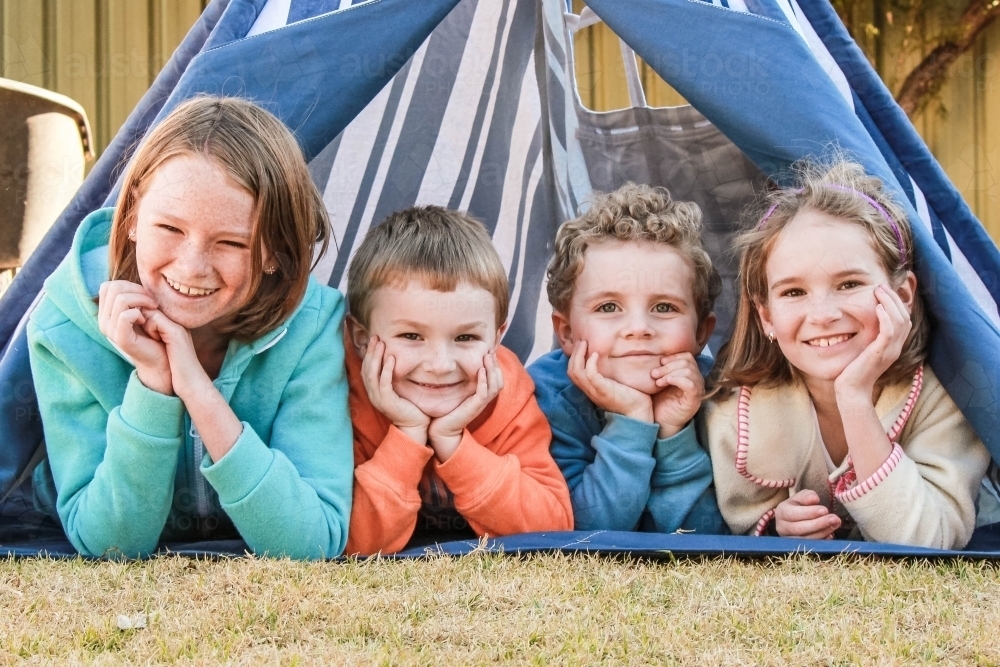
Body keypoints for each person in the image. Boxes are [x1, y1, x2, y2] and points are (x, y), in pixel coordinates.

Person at [28, 96, 354, 559]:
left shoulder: (312, 327)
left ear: (274, 251)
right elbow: (109, 544)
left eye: (230, 242)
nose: (192, 266)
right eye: (170, 228)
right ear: (135, 212)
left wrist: (197, 390)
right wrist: (153, 386)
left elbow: (311, 541)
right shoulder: (65, 327)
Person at [704, 160, 990, 549]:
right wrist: (776, 528)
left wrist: (854, 395)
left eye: (849, 283)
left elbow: (927, 540)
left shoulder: (946, 396)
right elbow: (740, 521)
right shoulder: (738, 413)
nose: (823, 315)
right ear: (766, 315)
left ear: (903, 296)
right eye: (793, 292)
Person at [344, 206, 573, 555]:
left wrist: (453, 443)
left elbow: (552, 529)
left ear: (497, 339)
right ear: (362, 338)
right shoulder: (341, 397)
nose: (439, 365)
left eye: (465, 338)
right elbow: (351, 542)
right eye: (411, 336)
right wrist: (407, 434)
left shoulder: (508, 398)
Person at [528, 183, 727, 534]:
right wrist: (632, 421)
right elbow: (584, 535)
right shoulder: (542, 399)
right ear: (567, 334)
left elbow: (709, 542)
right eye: (608, 307)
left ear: (701, 334)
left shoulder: (720, 396)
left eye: (664, 307)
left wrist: (673, 433)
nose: (638, 328)